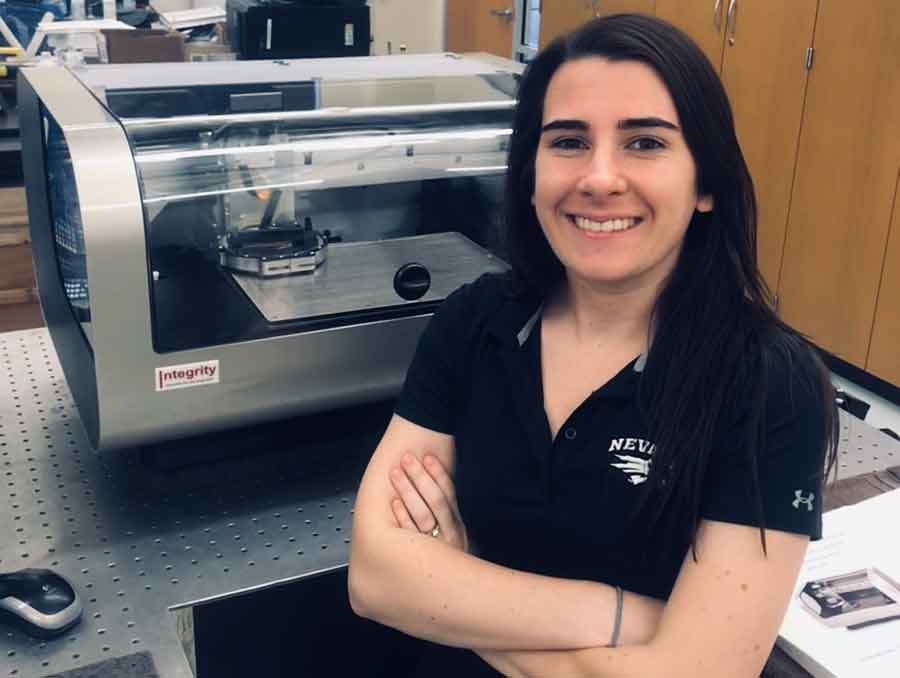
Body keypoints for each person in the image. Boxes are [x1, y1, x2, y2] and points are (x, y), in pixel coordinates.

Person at [348, 13, 838, 678]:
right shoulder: (475, 322)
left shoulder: (767, 384)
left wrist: (452, 591)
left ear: (706, 186)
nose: (600, 178)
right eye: (569, 142)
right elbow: (376, 578)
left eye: (644, 143)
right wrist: (626, 617)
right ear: (531, 174)